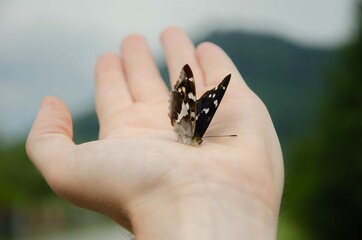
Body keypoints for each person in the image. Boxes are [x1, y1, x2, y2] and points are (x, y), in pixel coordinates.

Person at [26, 27, 284, 240]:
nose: (199, 141)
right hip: (181, 119)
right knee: (199, 114)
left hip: (182, 122)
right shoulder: (192, 130)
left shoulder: (196, 135)